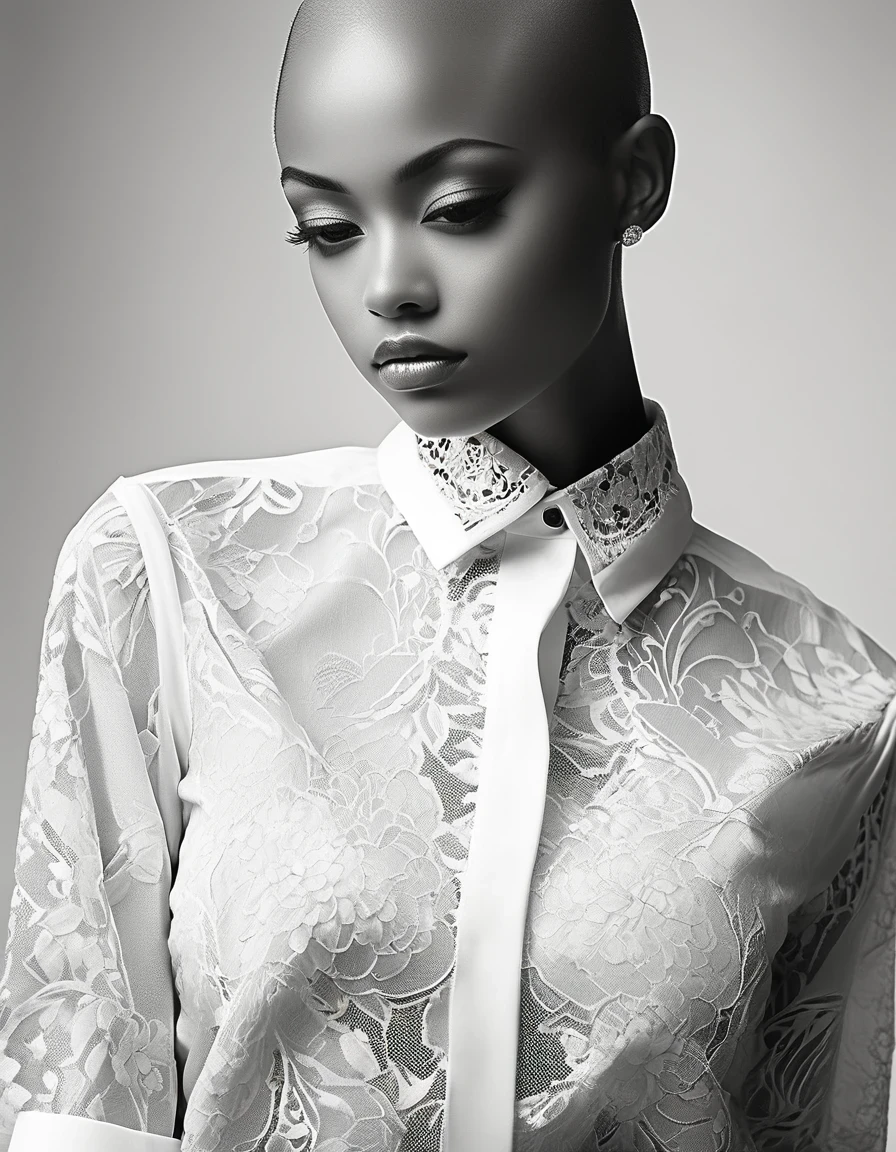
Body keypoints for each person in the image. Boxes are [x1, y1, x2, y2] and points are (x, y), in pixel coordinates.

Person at [2, 0, 895, 1149]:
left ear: (636, 182)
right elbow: (81, 1117)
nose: (388, 286)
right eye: (325, 227)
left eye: (458, 209)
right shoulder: (170, 572)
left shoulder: (838, 707)